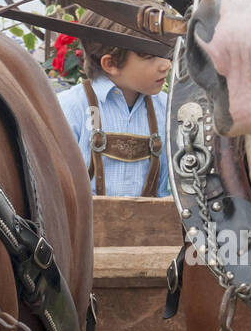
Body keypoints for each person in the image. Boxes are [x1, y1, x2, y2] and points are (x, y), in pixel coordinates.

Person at [57, 10, 175, 198]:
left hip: (154, 226)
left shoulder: (169, 110)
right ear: (111, 64)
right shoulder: (70, 108)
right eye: (151, 56)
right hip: (86, 226)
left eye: (166, 52)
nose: (166, 65)